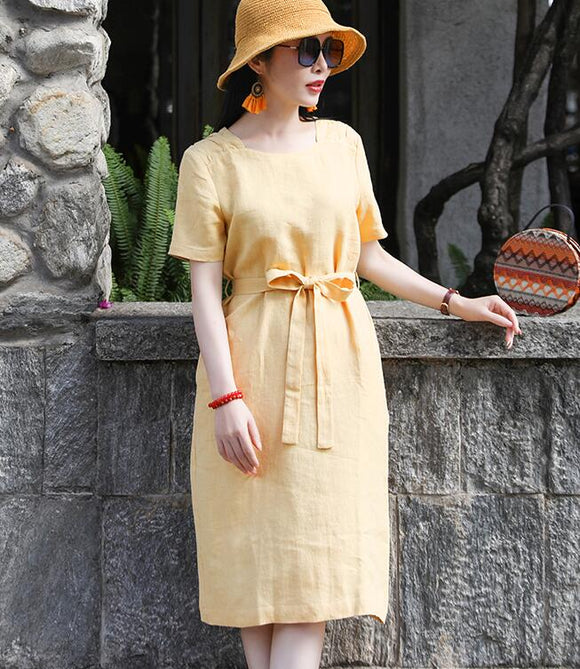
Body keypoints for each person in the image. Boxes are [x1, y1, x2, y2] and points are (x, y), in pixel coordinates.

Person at [167, 1, 523, 667]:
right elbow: (206, 293)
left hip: (339, 370)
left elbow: (368, 258)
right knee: (256, 582)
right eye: (306, 50)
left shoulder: (342, 144)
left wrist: (456, 301)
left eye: (328, 50)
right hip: (252, 372)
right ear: (259, 62)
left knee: (312, 583)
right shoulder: (209, 161)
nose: (323, 66)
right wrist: (225, 397)